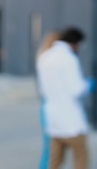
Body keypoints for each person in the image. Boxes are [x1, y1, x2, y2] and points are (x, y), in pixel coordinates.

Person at [37, 27, 95, 169]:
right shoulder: (69, 58)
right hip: (71, 120)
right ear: (75, 43)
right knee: (81, 158)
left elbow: (43, 90)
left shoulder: (44, 57)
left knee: (54, 161)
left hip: (53, 119)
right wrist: (87, 85)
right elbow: (76, 89)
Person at [36, 31, 61, 169]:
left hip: (45, 105)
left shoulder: (43, 58)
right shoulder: (51, 60)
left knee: (49, 146)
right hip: (52, 106)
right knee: (51, 147)